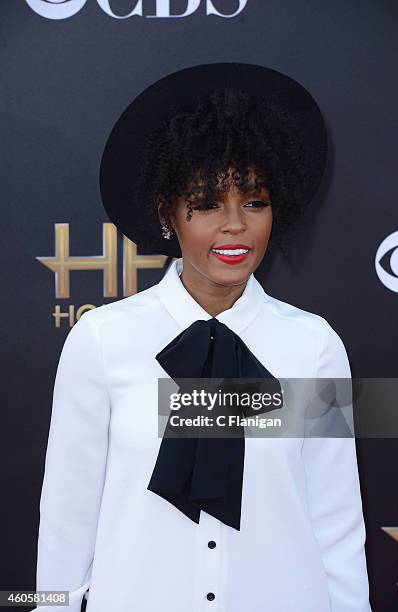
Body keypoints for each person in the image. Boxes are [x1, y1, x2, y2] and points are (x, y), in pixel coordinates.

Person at [35, 63, 372, 611]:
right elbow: (67, 525)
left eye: (255, 202)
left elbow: (336, 526)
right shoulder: (102, 342)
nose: (235, 225)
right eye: (207, 203)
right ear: (169, 212)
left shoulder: (313, 346)